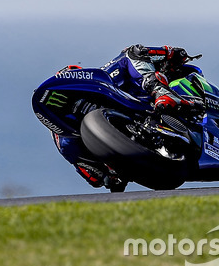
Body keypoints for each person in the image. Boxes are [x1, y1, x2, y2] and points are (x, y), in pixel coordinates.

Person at [53, 44, 201, 189]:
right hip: (153, 161)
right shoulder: (65, 139)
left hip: (153, 106)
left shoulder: (108, 73)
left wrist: (170, 53)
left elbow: (93, 178)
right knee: (131, 53)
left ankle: (162, 93)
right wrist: (109, 175)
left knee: (133, 54)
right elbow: (94, 177)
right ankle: (162, 94)